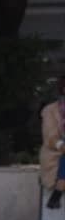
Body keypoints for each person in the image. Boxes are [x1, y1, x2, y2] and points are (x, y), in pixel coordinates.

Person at [41, 76, 65, 209]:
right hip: (55, 152)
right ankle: (56, 194)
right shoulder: (50, 110)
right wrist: (62, 145)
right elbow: (49, 136)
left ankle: (57, 194)